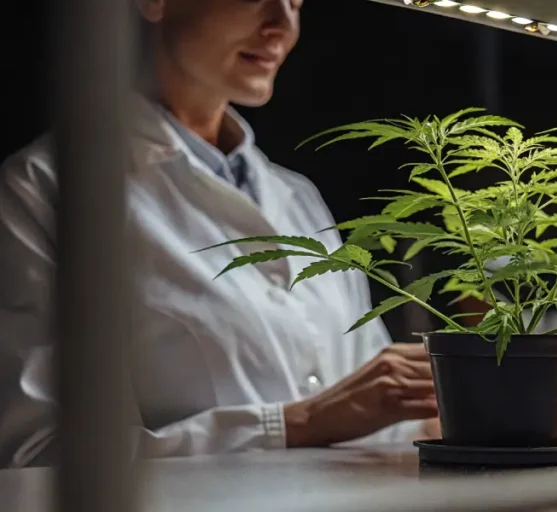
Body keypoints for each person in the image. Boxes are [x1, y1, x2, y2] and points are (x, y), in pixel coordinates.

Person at [0, 0, 440, 468]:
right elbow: (34, 455)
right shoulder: (48, 192)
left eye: (296, 2)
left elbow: (381, 416)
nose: (282, 25)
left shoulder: (297, 197)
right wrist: (295, 424)